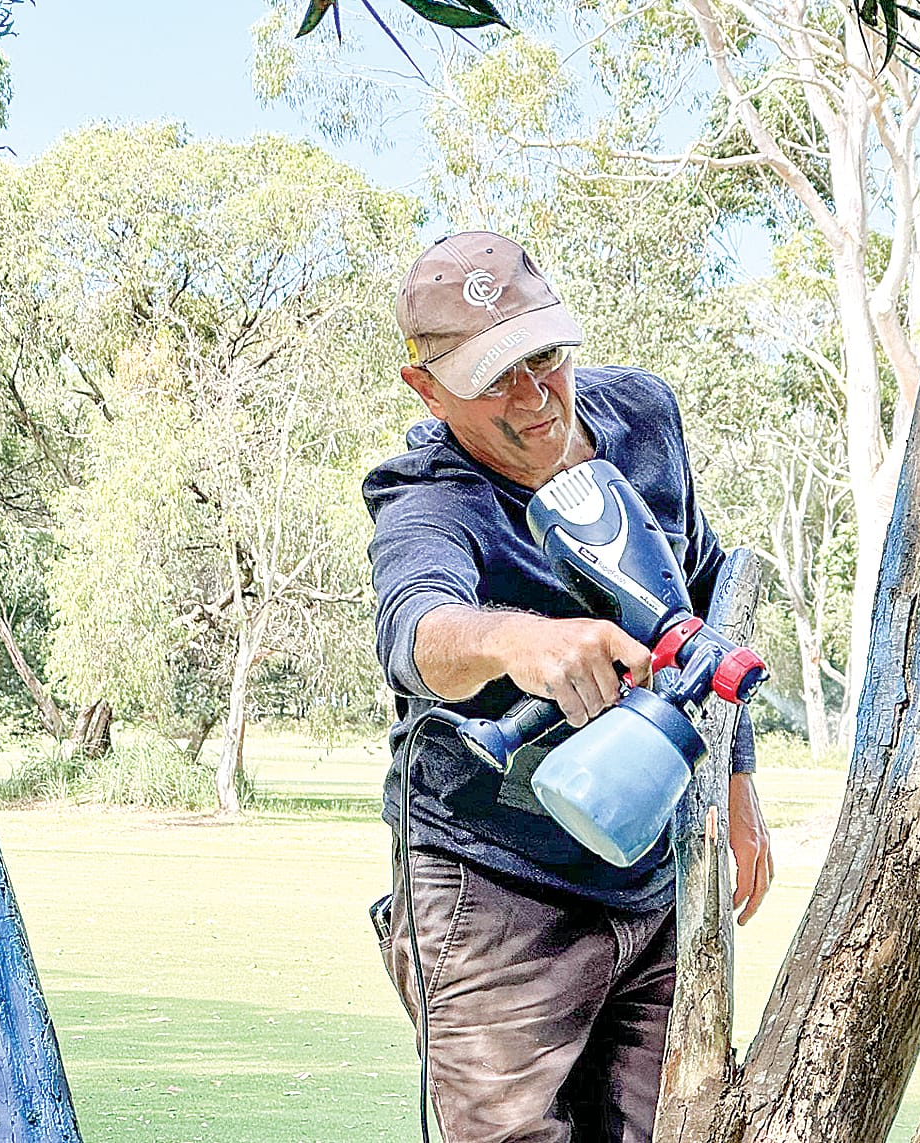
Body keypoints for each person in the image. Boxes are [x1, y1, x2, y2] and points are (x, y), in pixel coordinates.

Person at [364, 231, 772, 1143]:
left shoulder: (643, 418)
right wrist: (519, 641)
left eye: (544, 355)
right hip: (493, 889)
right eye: (494, 376)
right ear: (427, 390)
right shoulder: (429, 499)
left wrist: (737, 787)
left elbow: (701, 599)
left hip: (654, 877)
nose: (536, 394)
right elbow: (415, 630)